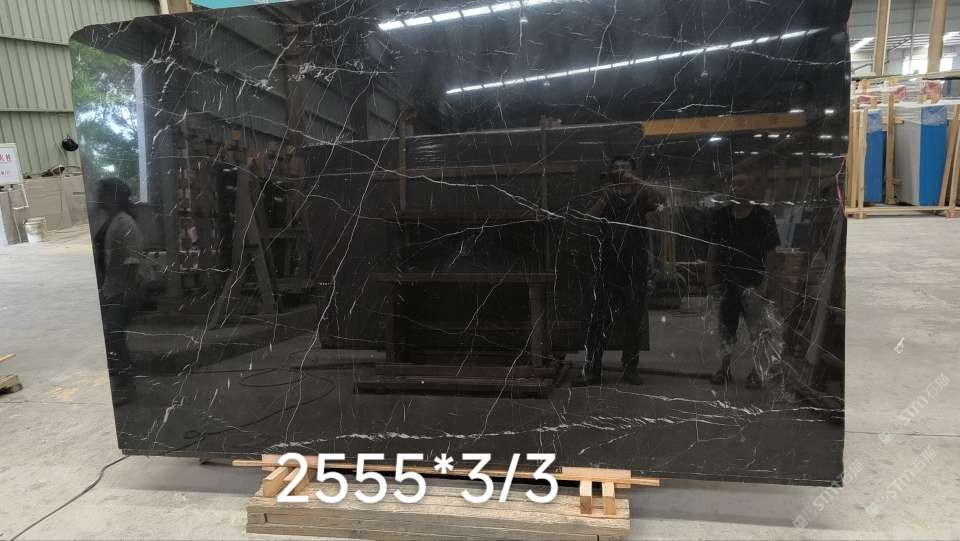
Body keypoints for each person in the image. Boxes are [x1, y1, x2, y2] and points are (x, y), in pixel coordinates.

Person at [577, 155, 664, 386]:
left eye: (624, 167)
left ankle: (630, 370)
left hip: (635, 268)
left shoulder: (641, 195)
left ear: (633, 171)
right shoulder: (607, 195)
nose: (619, 170)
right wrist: (606, 196)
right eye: (616, 167)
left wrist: (637, 182)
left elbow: (662, 202)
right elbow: (588, 218)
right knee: (599, 322)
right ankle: (593, 371)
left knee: (633, 322)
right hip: (609, 268)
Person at [706, 171, 781, 389]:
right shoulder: (721, 217)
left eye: (741, 183)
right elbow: (713, 248)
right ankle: (724, 369)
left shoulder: (763, 217)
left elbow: (772, 253)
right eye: (733, 184)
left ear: (751, 188)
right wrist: (709, 276)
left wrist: (768, 282)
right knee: (726, 329)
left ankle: (756, 372)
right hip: (726, 283)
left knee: (757, 331)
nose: (735, 188)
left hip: (753, 283)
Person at [92, 178, 144, 405]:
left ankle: (126, 384)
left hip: (121, 290)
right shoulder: (110, 220)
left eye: (102, 193)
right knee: (110, 337)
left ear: (113, 197)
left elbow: (133, 262)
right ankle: (120, 381)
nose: (98, 197)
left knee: (114, 335)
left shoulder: (124, 223)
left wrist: (126, 293)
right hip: (110, 288)